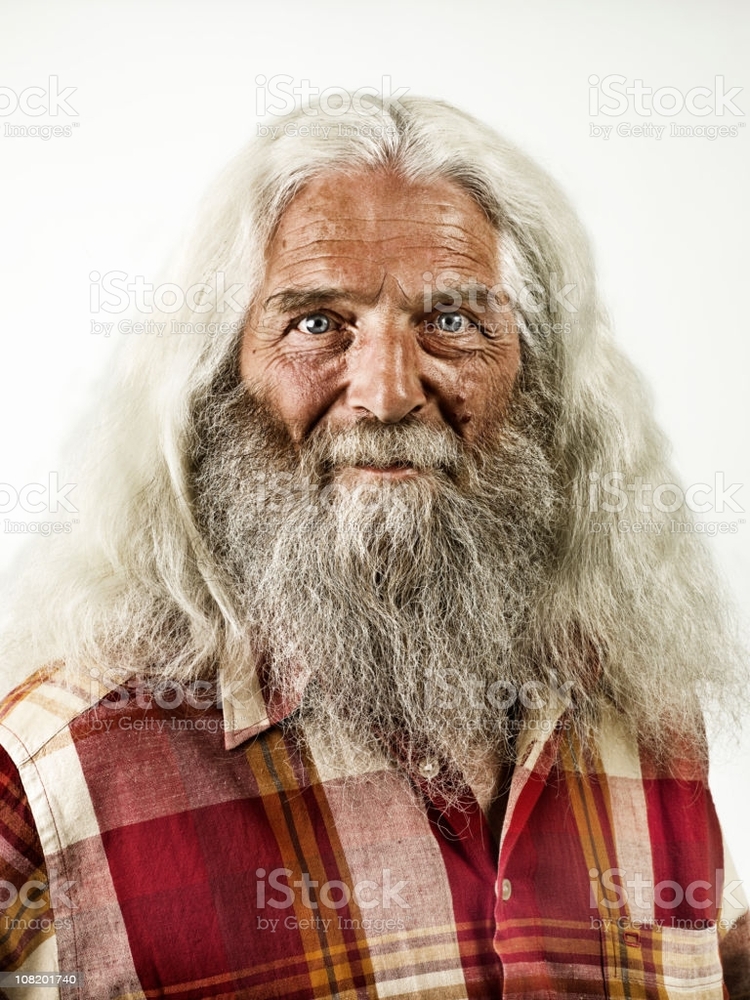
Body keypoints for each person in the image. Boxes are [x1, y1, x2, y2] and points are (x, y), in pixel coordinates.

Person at [0, 93, 746, 999]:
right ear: (215, 379)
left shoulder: (646, 717)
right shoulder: (53, 767)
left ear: (541, 381)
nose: (387, 393)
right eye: (318, 323)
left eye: (454, 321)